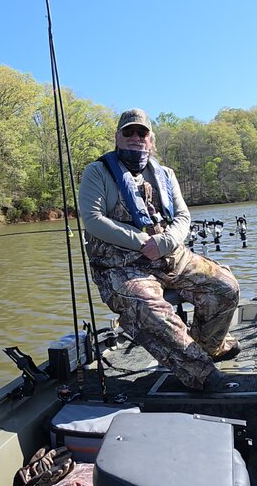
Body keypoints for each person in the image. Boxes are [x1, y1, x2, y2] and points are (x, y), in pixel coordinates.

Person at [80, 109, 240, 391]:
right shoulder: (97, 172)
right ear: (117, 137)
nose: (135, 137)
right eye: (128, 132)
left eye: (141, 133)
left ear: (151, 140)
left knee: (225, 286)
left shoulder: (165, 174)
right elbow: (93, 220)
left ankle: (208, 348)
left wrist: (165, 242)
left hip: (170, 256)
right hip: (121, 265)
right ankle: (201, 374)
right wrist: (142, 242)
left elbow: (183, 217)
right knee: (150, 308)